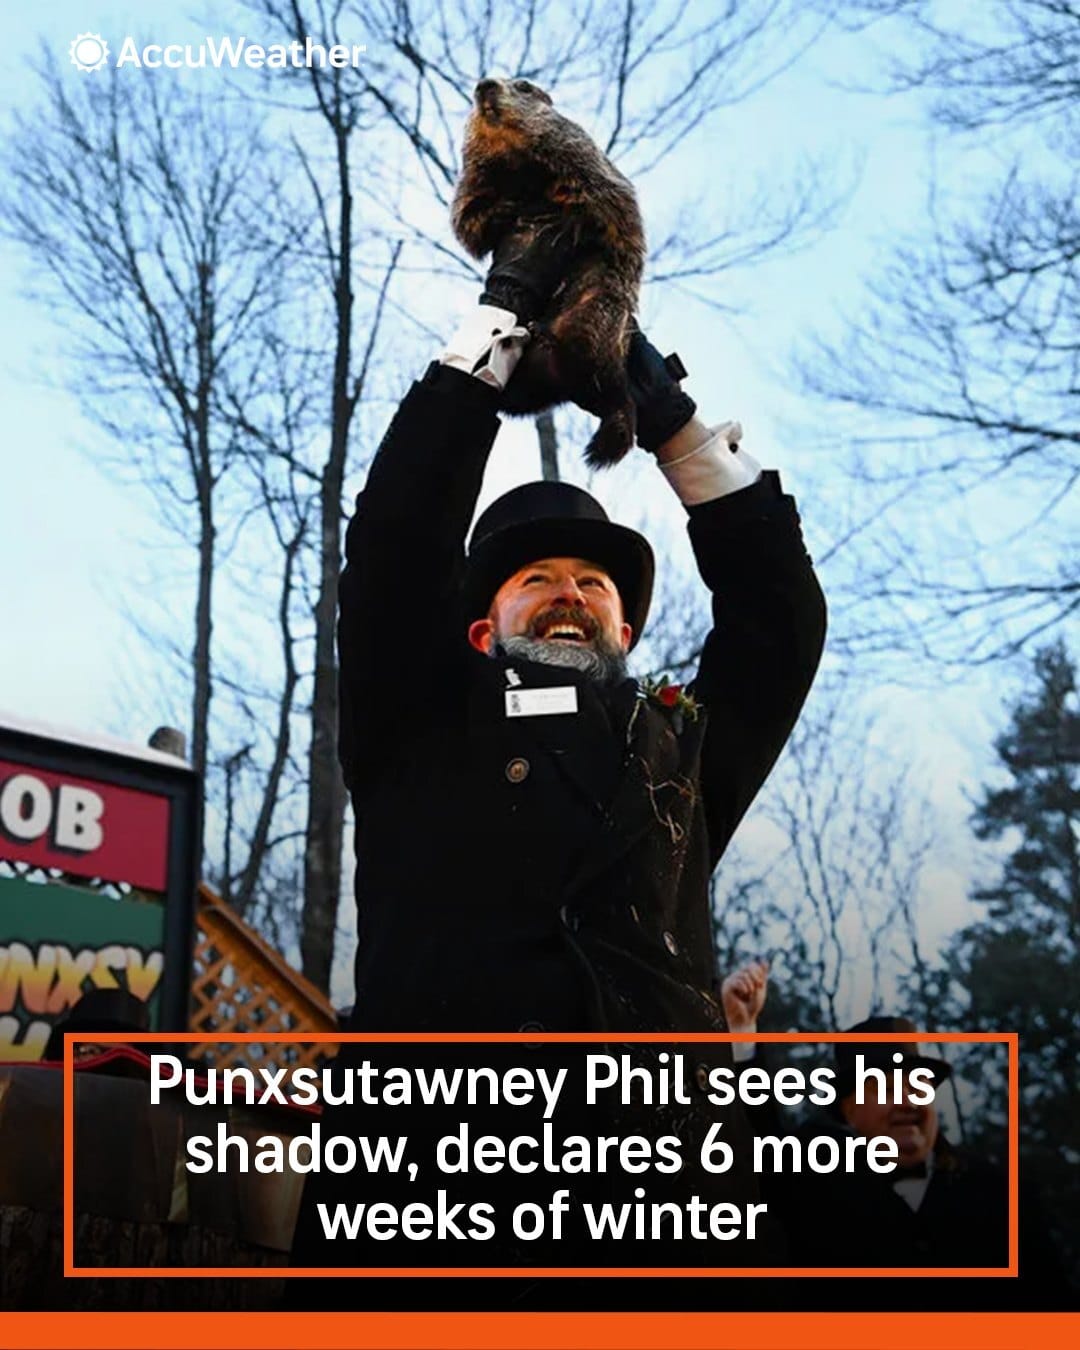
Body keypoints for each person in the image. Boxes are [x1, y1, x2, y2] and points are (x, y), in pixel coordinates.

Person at [291, 226, 826, 1280]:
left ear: (626, 630)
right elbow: (395, 549)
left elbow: (781, 620)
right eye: (535, 578)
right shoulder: (416, 720)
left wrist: (671, 422)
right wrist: (495, 330)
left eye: (595, 582)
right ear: (479, 628)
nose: (570, 592)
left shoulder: (680, 753)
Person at [720, 963, 1071, 1303]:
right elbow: (758, 1138)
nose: (907, 1101)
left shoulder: (1000, 1193)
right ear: (849, 1110)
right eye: (885, 1088)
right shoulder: (816, 1186)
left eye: (918, 1086)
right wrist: (741, 1032)